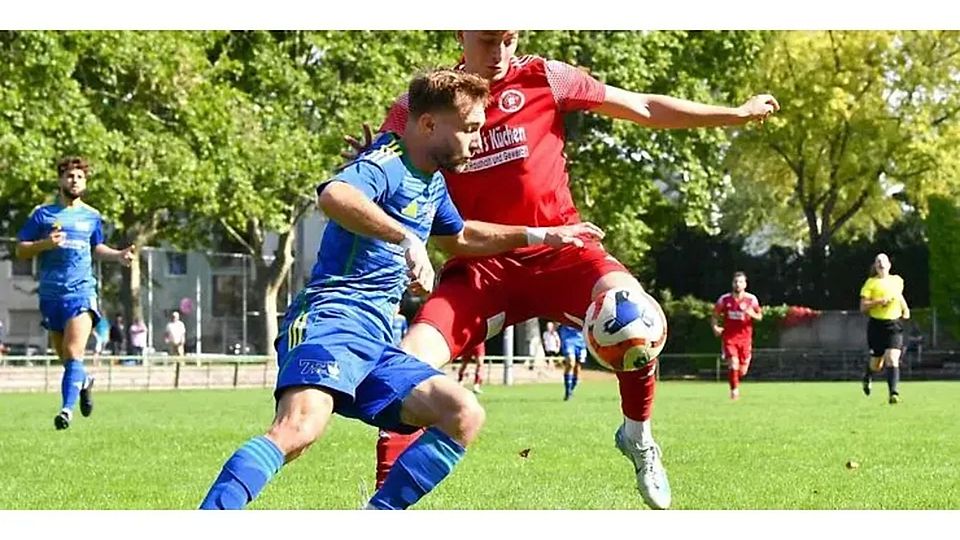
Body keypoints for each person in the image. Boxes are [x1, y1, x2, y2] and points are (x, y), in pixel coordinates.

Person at [356, 30, 779, 510]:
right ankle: (383, 507)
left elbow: (643, 106)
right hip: (481, 267)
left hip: (563, 252)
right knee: (407, 366)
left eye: (508, 39)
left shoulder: (547, 77)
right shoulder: (422, 104)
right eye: (487, 40)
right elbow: (383, 172)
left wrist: (734, 114)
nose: (499, 53)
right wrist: (371, 165)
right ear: (460, 32)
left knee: (636, 317)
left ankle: (637, 436)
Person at [199, 69, 603, 510]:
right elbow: (335, 195)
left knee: (462, 413)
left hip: (377, 340)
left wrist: (541, 235)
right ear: (428, 124)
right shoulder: (386, 162)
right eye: (469, 129)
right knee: (298, 430)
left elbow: (459, 237)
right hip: (331, 321)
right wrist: (405, 238)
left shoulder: (432, 180)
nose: (477, 141)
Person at [15, 156, 135, 430]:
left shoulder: (92, 216)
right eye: (70, 176)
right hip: (51, 295)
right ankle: (85, 382)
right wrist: (45, 244)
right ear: (60, 180)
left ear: (85, 182)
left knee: (72, 352)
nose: (75, 181)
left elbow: (96, 247)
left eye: (80, 177)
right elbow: (21, 249)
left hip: (81, 292)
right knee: (67, 361)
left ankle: (66, 411)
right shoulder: (43, 215)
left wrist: (118, 255)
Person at [859, 253, 910, 404]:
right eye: (878, 262)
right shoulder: (870, 283)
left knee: (892, 358)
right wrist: (879, 301)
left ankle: (893, 393)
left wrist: (905, 308)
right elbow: (863, 307)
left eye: (884, 261)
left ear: (889, 265)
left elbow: (899, 296)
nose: (881, 264)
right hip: (876, 326)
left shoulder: (897, 280)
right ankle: (868, 375)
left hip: (894, 325)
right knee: (876, 364)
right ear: (875, 266)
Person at [711, 272, 762, 400]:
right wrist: (715, 327)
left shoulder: (751, 299)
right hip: (729, 338)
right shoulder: (724, 299)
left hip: (745, 339)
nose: (738, 284)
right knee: (733, 364)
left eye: (740, 282)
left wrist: (752, 314)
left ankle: (734, 380)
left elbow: (759, 316)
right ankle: (734, 391)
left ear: (745, 284)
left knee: (742, 371)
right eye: (735, 282)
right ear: (732, 284)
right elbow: (715, 315)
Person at [558, 324, 587, 401]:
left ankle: (571, 389)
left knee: (577, 367)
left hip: (581, 340)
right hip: (568, 339)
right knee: (571, 363)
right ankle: (568, 392)